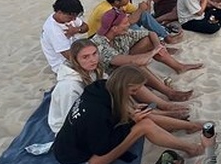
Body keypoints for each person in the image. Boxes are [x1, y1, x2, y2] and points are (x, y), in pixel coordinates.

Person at [53, 66, 203, 164]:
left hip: (71, 146)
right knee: (144, 125)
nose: (134, 94)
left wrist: (131, 114)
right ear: (122, 87)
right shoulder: (97, 114)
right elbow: (102, 148)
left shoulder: (100, 86)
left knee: (138, 114)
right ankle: (190, 148)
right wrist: (130, 123)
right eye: (133, 90)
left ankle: (190, 126)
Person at [49, 39, 195, 135]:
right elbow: (73, 120)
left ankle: (167, 113)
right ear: (75, 60)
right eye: (85, 57)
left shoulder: (92, 70)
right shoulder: (69, 87)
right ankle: (173, 119)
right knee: (135, 117)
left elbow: (108, 88)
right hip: (78, 124)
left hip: (95, 108)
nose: (92, 59)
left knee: (127, 91)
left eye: (94, 54)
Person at [91, 8, 202, 82]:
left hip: (125, 60)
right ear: (114, 28)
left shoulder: (119, 33)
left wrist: (158, 46)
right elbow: (134, 62)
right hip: (111, 77)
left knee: (149, 41)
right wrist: (154, 51)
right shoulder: (100, 45)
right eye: (125, 23)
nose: (128, 24)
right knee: (135, 65)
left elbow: (150, 33)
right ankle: (166, 91)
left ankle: (179, 67)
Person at [86, 0, 182, 45]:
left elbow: (143, 13)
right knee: (133, 25)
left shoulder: (121, 4)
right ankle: (156, 44)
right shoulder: (107, 10)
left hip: (117, 29)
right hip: (101, 37)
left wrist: (148, 0)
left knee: (142, 15)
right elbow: (127, 22)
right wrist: (140, 9)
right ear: (116, 2)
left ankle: (166, 37)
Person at [41, 0, 89, 74]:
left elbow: (86, 27)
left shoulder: (69, 16)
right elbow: (69, 56)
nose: (73, 19)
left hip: (77, 51)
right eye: (71, 17)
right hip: (64, 65)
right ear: (59, 12)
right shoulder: (53, 30)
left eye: (75, 16)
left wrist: (77, 30)